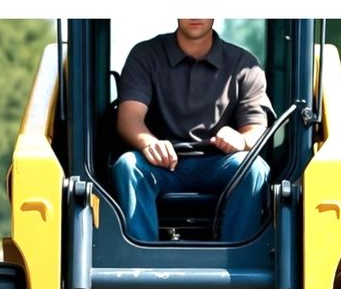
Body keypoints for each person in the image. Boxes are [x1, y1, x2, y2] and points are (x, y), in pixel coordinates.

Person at [112, 20, 273, 245]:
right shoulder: (145, 55)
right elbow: (129, 118)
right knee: (128, 165)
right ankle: (140, 259)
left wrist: (240, 140)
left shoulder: (244, 64)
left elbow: (256, 130)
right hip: (162, 165)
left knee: (253, 168)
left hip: (220, 164)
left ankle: (237, 258)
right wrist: (149, 143)